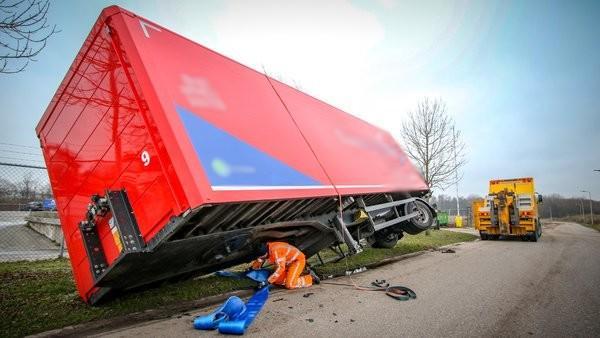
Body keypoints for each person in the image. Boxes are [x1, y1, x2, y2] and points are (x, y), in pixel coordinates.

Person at [251, 241, 320, 289]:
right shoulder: (266, 249)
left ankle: (310, 278)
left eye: (262, 256)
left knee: (290, 285)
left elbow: (280, 268)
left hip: (297, 261)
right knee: (277, 281)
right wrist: (252, 268)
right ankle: (297, 274)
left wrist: (267, 282)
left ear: (265, 253)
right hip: (287, 263)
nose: (261, 258)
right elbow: (260, 260)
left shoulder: (276, 251)